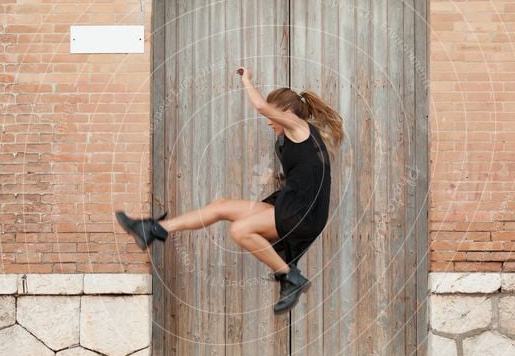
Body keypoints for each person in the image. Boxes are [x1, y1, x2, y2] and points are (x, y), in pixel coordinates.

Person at [116, 66, 344, 314]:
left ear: (287, 113)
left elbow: (262, 108)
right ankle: (152, 229)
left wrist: (247, 81)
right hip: (292, 203)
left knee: (240, 230)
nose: (268, 121)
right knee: (221, 206)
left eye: (273, 114)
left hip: (303, 211)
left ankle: (290, 277)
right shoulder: (292, 136)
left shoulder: (298, 127)